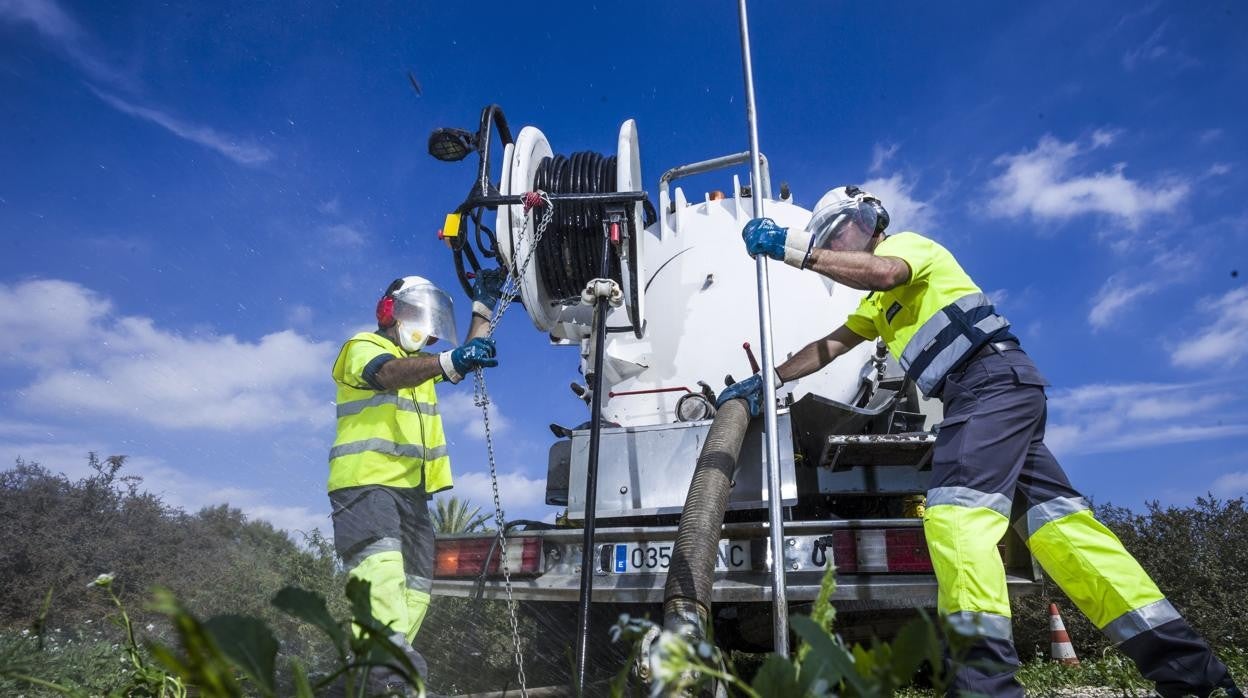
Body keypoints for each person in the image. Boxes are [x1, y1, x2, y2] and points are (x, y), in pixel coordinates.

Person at [717, 186, 1243, 698]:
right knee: (1067, 537)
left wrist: (795, 251)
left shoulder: (906, 248)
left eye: (843, 234)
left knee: (955, 517)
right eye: (831, 240)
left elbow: (884, 272)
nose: (839, 247)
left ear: (870, 225)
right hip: (997, 394)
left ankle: (983, 685)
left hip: (989, 384)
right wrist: (771, 380)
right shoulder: (879, 310)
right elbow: (828, 346)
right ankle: (1195, 678)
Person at [327, 271, 504, 690]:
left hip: (410, 496)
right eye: (416, 318)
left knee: (418, 588)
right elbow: (386, 375)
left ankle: (372, 674)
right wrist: (448, 361)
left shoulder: (420, 371)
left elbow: (464, 356)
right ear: (389, 311)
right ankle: (389, 674)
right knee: (382, 571)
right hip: (366, 485)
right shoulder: (363, 347)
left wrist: (482, 309)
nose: (425, 333)